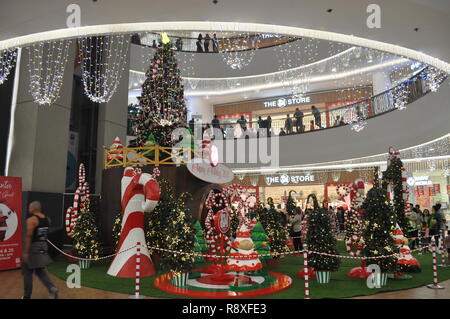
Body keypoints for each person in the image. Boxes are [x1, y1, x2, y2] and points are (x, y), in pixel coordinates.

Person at [22, 201, 58, 299]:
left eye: (29, 207)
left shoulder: (31, 220)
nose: (29, 209)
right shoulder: (48, 219)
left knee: (27, 271)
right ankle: (52, 288)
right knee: (39, 271)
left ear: (34, 208)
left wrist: (25, 252)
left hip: (34, 248)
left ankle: (26, 296)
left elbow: (29, 236)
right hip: (43, 246)